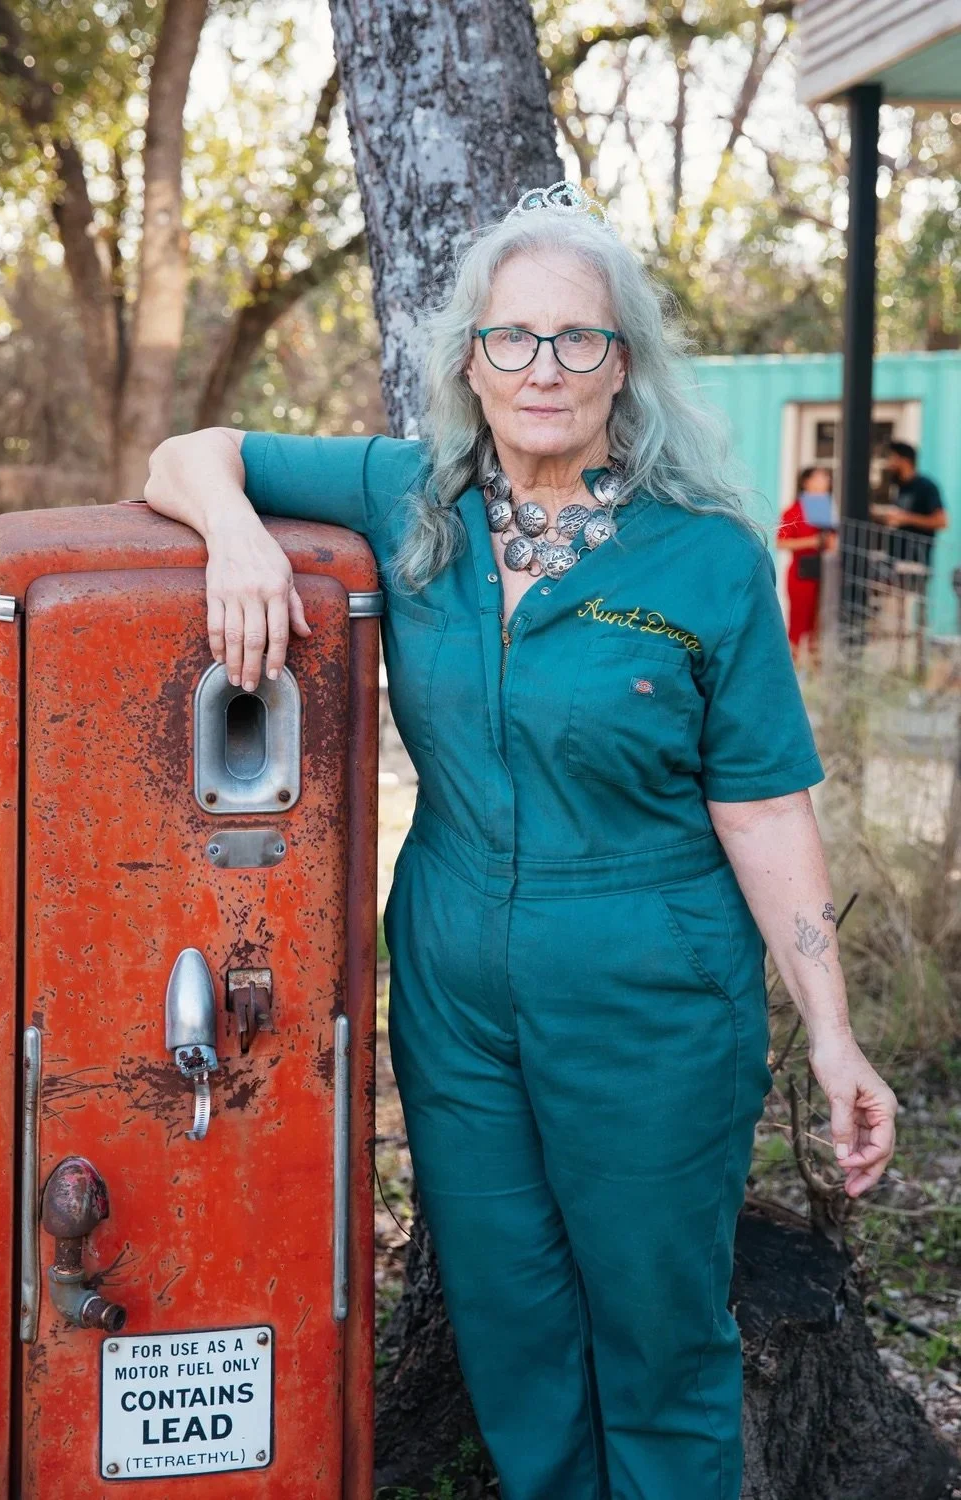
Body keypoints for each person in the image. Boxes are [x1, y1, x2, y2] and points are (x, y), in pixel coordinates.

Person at [141, 180, 896, 1500]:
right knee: (512, 1327)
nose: (544, 368)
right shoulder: (409, 496)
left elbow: (765, 805)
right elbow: (186, 453)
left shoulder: (706, 561)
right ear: (470, 361)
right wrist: (239, 540)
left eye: (579, 339)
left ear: (626, 366)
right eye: (513, 338)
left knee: (661, 1341)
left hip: (652, 991)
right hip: (453, 984)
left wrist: (829, 1030)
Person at [776, 466, 838, 663]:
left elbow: (832, 542)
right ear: (806, 482)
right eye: (820, 479)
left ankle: (813, 670)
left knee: (818, 626)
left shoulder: (827, 510)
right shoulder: (794, 511)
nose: (825, 483)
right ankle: (791, 669)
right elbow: (781, 542)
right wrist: (813, 542)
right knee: (798, 625)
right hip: (801, 573)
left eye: (827, 479)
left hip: (823, 572)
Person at [878, 440, 947, 572]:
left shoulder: (925, 486)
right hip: (895, 560)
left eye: (892, 458)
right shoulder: (900, 487)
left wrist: (905, 518)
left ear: (904, 461)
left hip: (914, 564)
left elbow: (941, 521)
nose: (889, 464)